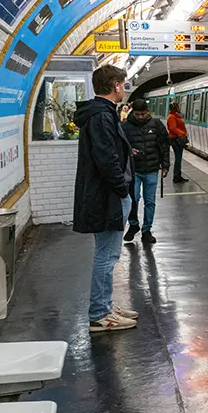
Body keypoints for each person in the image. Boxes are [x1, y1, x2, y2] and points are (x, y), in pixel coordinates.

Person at [73, 65, 138, 332]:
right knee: (107, 256)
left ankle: (106, 305)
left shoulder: (101, 113)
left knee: (107, 254)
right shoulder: (102, 115)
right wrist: (122, 188)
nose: (125, 88)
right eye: (124, 84)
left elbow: (109, 151)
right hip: (108, 196)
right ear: (115, 86)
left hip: (106, 193)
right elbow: (105, 157)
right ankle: (100, 313)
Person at [122, 99, 170, 244]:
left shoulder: (156, 125)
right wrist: (129, 151)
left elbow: (164, 145)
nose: (141, 117)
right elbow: (119, 146)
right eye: (137, 114)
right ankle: (134, 224)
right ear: (133, 112)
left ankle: (147, 230)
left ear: (148, 111)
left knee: (150, 202)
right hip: (134, 169)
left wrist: (165, 165)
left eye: (143, 114)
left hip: (152, 169)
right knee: (133, 199)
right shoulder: (125, 127)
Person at [166, 101, 189, 183]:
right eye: (177, 106)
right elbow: (173, 128)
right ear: (174, 108)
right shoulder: (172, 117)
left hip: (176, 139)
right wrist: (182, 134)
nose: (179, 108)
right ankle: (176, 176)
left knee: (179, 158)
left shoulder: (175, 116)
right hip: (176, 139)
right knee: (178, 158)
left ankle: (178, 175)